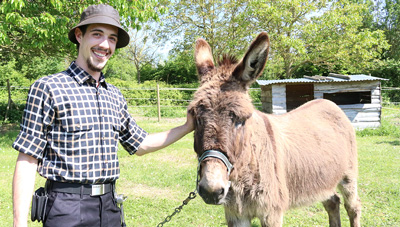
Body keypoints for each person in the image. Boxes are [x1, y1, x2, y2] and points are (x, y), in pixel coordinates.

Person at [12, 4, 194, 227]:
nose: (105, 45)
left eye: (112, 38)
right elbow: (28, 159)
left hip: (110, 207)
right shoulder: (48, 88)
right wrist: (19, 223)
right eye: (97, 34)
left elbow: (141, 144)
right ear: (79, 36)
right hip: (65, 208)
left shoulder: (114, 96)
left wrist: (187, 126)